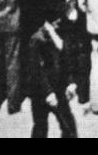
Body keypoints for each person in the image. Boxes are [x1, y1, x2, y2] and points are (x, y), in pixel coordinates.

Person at [27, 10, 78, 138]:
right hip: (41, 92)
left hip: (59, 88)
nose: (58, 24)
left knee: (69, 127)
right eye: (56, 22)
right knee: (40, 127)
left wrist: (71, 82)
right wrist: (48, 93)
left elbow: (66, 62)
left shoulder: (60, 36)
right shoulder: (37, 40)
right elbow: (36, 70)